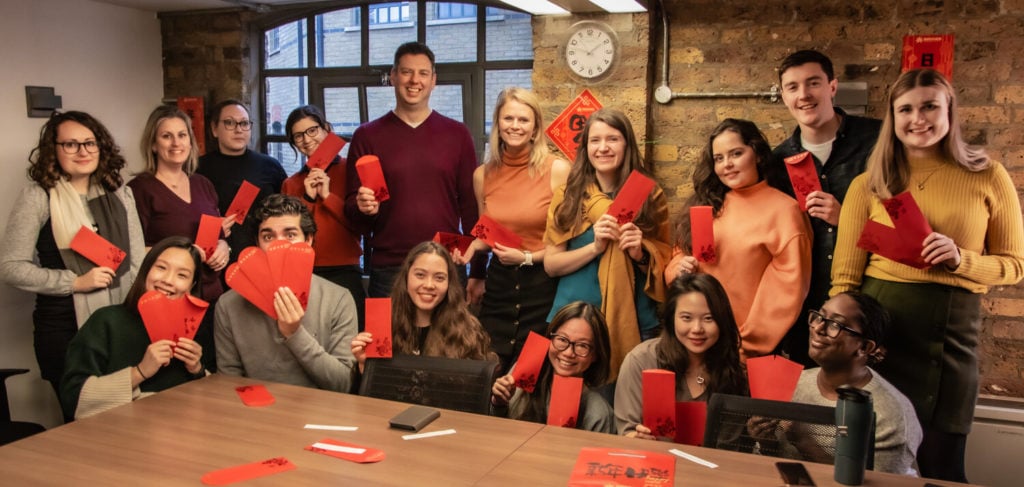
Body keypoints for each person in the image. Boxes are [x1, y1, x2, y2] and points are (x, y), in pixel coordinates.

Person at [831, 68, 1024, 482]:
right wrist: (841, 345)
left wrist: (961, 260)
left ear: (950, 111)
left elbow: (1014, 266)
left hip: (949, 336)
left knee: (942, 465)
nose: (918, 118)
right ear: (893, 118)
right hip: (878, 333)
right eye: (906, 110)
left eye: (930, 106)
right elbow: (845, 281)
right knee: (869, 462)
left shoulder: (988, 175)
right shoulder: (869, 184)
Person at [0, 111, 145, 405]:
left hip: (119, 324)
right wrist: (74, 282)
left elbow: (138, 261)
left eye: (90, 143)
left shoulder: (120, 195)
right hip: (64, 329)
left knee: (130, 420)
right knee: (80, 422)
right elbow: (10, 267)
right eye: (71, 144)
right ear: (53, 150)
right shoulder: (39, 196)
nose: (83, 152)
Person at [766, 50, 883, 367]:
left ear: (832, 86)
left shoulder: (878, 142)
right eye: (792, 87)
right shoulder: (776, 164)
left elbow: (905, 236)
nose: (803, 95)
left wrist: (847, 219)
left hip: (871, 302)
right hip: (807, 312)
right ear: (783, 95)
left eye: (813, 83)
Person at [344, 42, 484, 300]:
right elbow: (353, 215)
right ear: (393, 76)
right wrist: (363, 207)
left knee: (448, 342)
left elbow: (471, 208)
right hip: (389, 268)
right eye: (407, 72)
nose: (414, 80)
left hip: (446, 263)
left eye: (422, 73)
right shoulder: (367, 136)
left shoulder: (457, 134)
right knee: (386, 341)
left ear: (433, 80)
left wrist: (478, 271)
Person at [668, 118, 812, 359]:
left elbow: (786, 291)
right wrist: (678, 268)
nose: (727, 165)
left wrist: (744, 346)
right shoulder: (707, 202)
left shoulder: (785, 211)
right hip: (693, 340)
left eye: (736, 153)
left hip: (741, 351)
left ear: (756, 154)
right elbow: (678, 255)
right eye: (719, 158)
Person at [544, 108, 671, 382]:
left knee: (624, 407)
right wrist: (595, 248)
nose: (603, 148)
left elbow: (666, 258)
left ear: (627, 144)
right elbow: (552, 265)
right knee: (572, 407)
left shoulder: (649, 195)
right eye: (595, 140)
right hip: (574, 325)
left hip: (635, 321)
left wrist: (641, 253)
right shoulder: (568, 195)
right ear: (585, 147)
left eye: (612, 139)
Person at [454, 88, 571, 371]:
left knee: (533, 373)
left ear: (535, 128)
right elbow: (487, 230)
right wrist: (470, 253)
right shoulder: (482, 175)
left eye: (523, 120)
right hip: (500, 286)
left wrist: (526, 257)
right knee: (493, 369)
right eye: (508, 118)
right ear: (497, 124)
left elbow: (567, 244)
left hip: (543, 286)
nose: (515, 126)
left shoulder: (558, 169)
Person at [215, 194, 359, 393]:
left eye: (290, 235)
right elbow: (228, 382)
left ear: (308, 240)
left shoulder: (338, 299)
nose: (278, 245)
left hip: (321, 413)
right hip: (255, 413)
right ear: (257, 244)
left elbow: (343, 384)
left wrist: (294, 333)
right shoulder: (229, 304)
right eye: (268, 237)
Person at [59, 236, 208, 420]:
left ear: (191, 286)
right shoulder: (106, 321)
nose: (168, 280)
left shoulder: (193, 327)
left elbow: (207, 401)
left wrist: (197, 369)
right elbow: (72, 399)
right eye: (161, 268)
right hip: (120, 433)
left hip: (180, 432)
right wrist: (140, 372)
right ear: (146, 271)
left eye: (182, 275)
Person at [787, 291, 922, 475]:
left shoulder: (892, 415)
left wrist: (805, 443)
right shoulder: (794, 383)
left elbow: (877, 483)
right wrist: (763, 439)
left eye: (835, 324)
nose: (818, 328)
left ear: (865, 347)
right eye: (819, 317)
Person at [615, 273, 748, 438]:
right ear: (672, 318)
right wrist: (635, 437)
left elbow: (731, 446)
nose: (697, 328)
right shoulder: (641, 360)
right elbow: (626, 432)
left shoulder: (733, 369)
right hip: (653, 459)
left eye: (708, 318)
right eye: (686, 318)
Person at [129, 105, 231, 303]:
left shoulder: (203, 183)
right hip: (168, 297)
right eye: (167, 136)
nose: (176, 143)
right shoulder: (138, 189)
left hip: (212, 295)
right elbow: (130, 249)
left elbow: (216, 233)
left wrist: (223, 247)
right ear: (153, 145)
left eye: (182, 135)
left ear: (190, 142)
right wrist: (186, 253)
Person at [350, 241, 496, 374]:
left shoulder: (467, 331)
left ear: (449, 284)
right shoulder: (384, 326)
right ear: (406, 278)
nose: (428, 285)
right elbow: (373, 394)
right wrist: (364, 367)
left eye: (439, 278)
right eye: (420, 275)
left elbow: (474, 393)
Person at [281, 105, 365, 329]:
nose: (307, 139)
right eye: (298, 136)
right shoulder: (291, 183)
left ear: (326, 129)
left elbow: (359, 226)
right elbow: (290, 236)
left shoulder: (350, 171)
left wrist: (327, 196)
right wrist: (307, 198)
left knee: (351, 340)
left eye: (312, 130)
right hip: (305, 273)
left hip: (346, 270)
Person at [491, 301, 614, 433]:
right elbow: (496, 432)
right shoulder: (524, 375)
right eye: (562, 339)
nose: (568, 353)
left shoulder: (598, 413)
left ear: (595, 354)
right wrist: (498, 403)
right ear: (550, 338)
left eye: (582, 346)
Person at [197, 99, 286, 266]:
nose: (238, 129)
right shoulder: (199, 168)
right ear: (214, 129)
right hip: (216, 259)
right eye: (230, 123)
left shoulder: (269, 165)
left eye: (244, 123)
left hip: (265, 257)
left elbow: (288, 212)